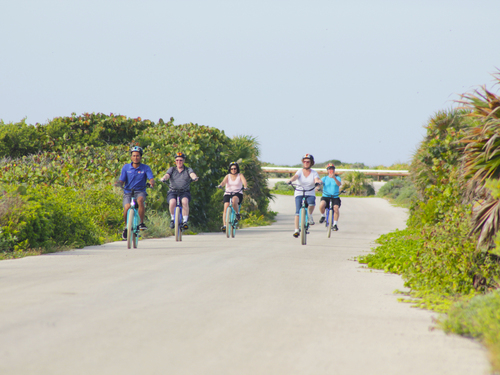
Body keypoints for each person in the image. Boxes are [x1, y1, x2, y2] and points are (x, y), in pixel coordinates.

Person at [117, 146, 154, 240]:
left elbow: (151, 179)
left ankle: (141, 223)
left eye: (138, 156)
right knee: (127, 207)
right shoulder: (126, 167)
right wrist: (119, 184)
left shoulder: (145, 168)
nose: (136, 157)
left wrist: (151, 183)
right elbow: (122, 180)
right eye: (134, 155)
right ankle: (126, 228)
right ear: (131, 157)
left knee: (140, 200)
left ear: (141, 157)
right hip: (128, 192)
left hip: (140, 191)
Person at [160, 152, 198, 230]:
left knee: (184, 201)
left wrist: (194, 177)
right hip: (173, 191)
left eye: (180, 160)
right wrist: (164, 178)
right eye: (177, 160)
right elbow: (167, 175)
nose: (179, 162)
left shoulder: (188, 169)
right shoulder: (172, 169)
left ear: (183, 161)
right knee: (172, 202)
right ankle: (172, 219)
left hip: (184, 191)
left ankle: (185, 221)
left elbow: (192, 174)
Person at [288, 153, 322, 238]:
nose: (306, 163)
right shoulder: (299, 172)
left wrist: (317, 184)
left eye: (308, 161)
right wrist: (290, 180)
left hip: (310, 192)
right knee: (297, 211)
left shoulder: (314, 173)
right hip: (299, 192)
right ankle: (296, 230)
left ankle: (309, 215)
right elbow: (295, 177)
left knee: (311, 204)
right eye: (304, 161)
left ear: (311, 163)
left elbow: (316, 179)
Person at [217, 162, 248, 232]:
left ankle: (237, 214)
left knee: (234, 200)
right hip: (228, 193)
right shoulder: (227, 176)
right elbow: (223, 182)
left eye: (235, 168)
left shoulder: (240, 175)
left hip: (237, 193)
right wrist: (220, 185)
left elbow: (244, 181)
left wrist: (245, 187)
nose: (233, 170)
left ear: (237, 169)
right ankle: (225, 225)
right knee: (226, 207)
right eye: (232, 169)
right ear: (230, 169)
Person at [319, 163, 342, 231]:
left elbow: (339, 184)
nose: (331, 170)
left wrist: (334, 178)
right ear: (327, 170)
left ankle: (335, 224)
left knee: (336, 208)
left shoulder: (337, 178)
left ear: (334, 170)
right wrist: (318, 187)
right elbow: (320, 184)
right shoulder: (324, 178)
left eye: (332, 169)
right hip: (326, 196)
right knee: (322, 205)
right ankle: (323, 216)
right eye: (329, 169)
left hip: (335, 196)